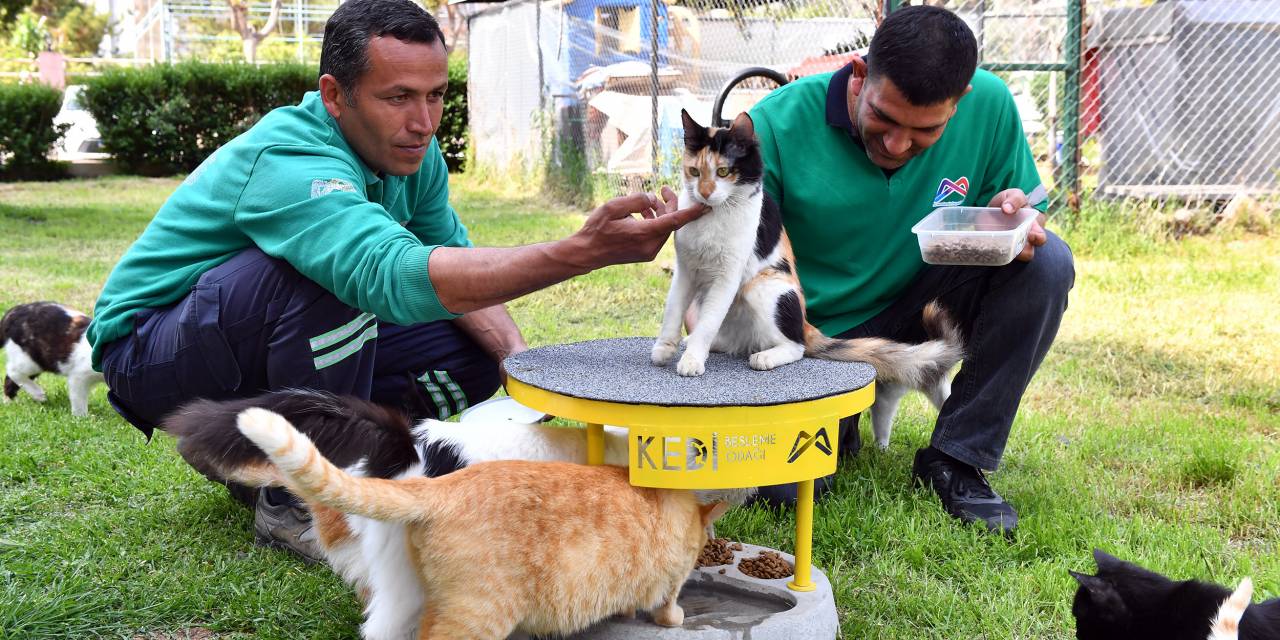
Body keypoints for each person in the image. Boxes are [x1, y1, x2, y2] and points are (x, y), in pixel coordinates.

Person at [87, 0, 704, 560]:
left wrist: (521, 368)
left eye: (436, 95)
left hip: (238, 344)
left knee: (474, 351)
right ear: (335, 95)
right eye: (399, 97)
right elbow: (386, 274)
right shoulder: (292, 158)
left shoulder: (415, 155)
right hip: (149, 352)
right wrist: (581, 252)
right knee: (330, 281)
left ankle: (279, 458)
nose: (425, 120)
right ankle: (300, 500)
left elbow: (448, 257)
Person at [744, 5, 1075, 535]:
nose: (897, 145)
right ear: (859, 75)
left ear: (959, 103)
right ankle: (838, 415)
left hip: (923, 295)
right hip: (815, 339)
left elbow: (1022, 206)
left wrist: (1014, 217)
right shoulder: (774, 127)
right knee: (784, 494)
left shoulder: (989, 104)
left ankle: (957, 457)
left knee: (1047, 263)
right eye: (884, 118)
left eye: (925, 130)